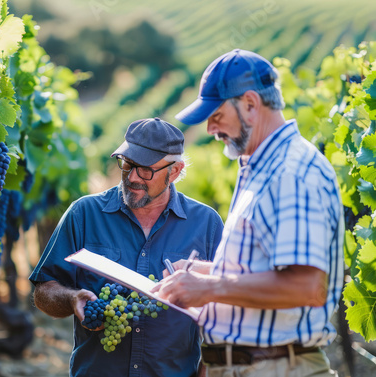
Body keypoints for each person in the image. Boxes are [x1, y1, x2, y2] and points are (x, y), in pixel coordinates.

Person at [152, 49, 344, 377]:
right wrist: (204, 272)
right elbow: (268, 269)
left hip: (277, 368)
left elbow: (307, 286)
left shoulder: (291, 172)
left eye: (216, 115)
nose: (211, 129)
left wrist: (208, 288)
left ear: (251, 105)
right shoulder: (262, 168)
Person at [29, 117, 224, 377]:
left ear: (174, 171)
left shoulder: (206, 223)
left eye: (145, 170)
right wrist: (71, 298)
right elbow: (44, 291)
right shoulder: (84, 214)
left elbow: (225, 312)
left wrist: (206, 371)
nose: (132, 176)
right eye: (127, 164)